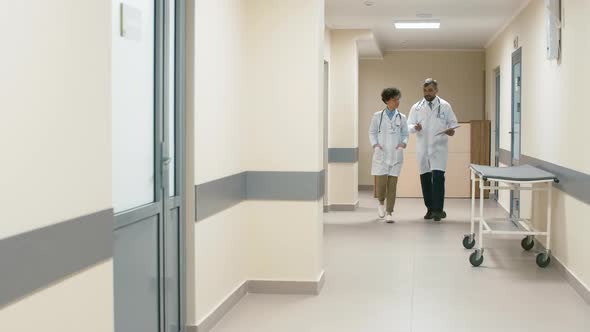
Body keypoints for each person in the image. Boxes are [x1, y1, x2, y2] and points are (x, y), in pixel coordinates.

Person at [407, 78, 458, 222]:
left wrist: (450, 131)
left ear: (436, 90)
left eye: (430, 90)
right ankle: (429, 209)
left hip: (439, 147)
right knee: (425, 179)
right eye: (425, 90)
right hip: (422, 147)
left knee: (438, 178)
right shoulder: (416, 107)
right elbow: (408, 125)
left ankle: (438, 210)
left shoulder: (445, 106)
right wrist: (414, 128)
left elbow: (453, 124)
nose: (427, 93)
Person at [369, 88, 409, 223]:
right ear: (387, 101)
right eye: (394, 99)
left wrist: (403, 143)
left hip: (396, 154)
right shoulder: (377, 116)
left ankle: (389, 212)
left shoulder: (402, 117)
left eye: (398, 99)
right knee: (381, 185)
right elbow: (372, 132)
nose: (397, 102)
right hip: (381, 153)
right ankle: (381, 202)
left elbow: (405, 134)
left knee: (393, 185)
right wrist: (375, 144)